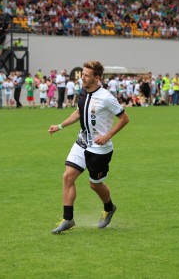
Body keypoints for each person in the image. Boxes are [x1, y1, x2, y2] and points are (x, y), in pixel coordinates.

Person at [48, 60, 130, 234]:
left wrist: (107, 135)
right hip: (82, 141)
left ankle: (109, 208)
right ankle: (68, 219)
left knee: (95, 185)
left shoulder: (107, 97)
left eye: (86, 75)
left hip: (100, 148)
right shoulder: (83, 92)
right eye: (82, 74)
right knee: (68, 176)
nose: (82, 78)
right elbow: (79, 112)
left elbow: (124, 119)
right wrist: (60, 126)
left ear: (97, 78)